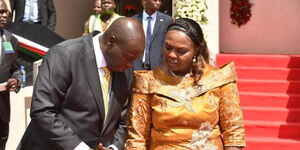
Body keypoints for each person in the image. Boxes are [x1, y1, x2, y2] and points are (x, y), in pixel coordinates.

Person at [17, 17, 145, 150]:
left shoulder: (125, 70)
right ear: (111, 41)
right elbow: (43, 111)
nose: (130, 65)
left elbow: (123, 120)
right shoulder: (65, 55)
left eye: (134, 60)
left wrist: (114, 147)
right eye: (129, 58)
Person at [125, 18, 246, 150]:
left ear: (197, 50)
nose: (171, 54)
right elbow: (137, 138)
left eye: (181, 51)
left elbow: (234, 133)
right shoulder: (148, 82)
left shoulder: (219, 79)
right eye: (167, 47)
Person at [0, 0, 22, 150]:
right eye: (0, 12)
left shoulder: (10, 39)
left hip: (2, 107)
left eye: (6, 12)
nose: (4, 15)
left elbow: (16, 68)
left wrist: (16, 80)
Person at [132, 0, 172, 70]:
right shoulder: (134, 20)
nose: (158, 3)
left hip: (158, 68)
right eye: (155, 0)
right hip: (137, 67)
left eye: (159, 0)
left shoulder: (167, 21)